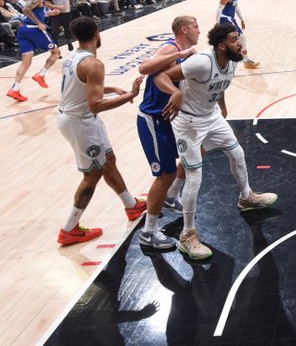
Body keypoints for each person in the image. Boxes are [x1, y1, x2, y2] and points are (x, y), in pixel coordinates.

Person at [155, 23, 277, 260]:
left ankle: (246, 197)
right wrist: (175, 92)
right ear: (221, 45)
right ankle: (187, 235)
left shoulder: (231, 60)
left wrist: (221, 106)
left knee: (237, 153)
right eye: (234, 40)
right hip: (188, 122)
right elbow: (161, 75)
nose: (240, 44)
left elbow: (219, 84)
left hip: (210, 116)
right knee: (195, 175)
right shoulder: (201, 61)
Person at [56, 17, 147, 245]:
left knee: (109, 160)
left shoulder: (73, 56)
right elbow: (95, 104)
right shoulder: (94, 64)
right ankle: (70, 229)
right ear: (97, 33)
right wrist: (130, 95)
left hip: (80, 118)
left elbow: (82, 86)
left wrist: (112, 88)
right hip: (80, 122)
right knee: (92, 174)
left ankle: (131, 206)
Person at [136, 16, 199, 249]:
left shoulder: (189, 53)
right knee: (164, 175)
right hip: (153, 119)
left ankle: (171, 198)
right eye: (195, 26)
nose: (199, 31)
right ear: (183, 29)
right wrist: (179, 55)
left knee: (189, 156)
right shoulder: (170, 47)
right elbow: (145, 69)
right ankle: (148, 232)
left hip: (170, 119)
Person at [6, 0, 61, 102]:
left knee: (26, 61)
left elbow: (34, 12)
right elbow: (26, 10)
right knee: (56, 52)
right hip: (33, 29)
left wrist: (49, 14)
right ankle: (40, 75)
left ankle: (14, 89)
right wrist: (39, 23)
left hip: (23, 29)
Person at [216, 0, 259, 69]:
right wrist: (217, 23)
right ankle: (245, 60)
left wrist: (242, 19)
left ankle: (227, 60)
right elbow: (219, 9)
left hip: (231, 19)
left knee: (228, 41)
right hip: (225, 19)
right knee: (241, 38)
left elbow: (236, 7)